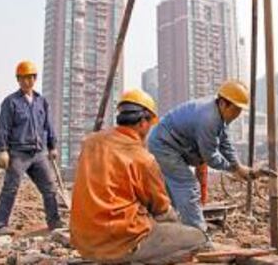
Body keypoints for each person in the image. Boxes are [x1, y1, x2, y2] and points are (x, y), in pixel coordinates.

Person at [70, 89, 206, 264]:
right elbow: (161, 210)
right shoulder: (143, 158)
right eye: (150, 124)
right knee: (196, 238)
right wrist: (177, 225)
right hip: (120, 243)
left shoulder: (90, 142)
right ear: (143, 122)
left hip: (84, 243)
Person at [148, 80, 255, 234]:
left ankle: (166, 232)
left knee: (173, 193)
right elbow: (210, 157)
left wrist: (238, 166)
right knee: (188, 186)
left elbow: (224, 143)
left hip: (173, 144)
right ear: (224, 104)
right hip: (164, 145)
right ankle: (199, 239)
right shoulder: (209, 119)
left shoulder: (219, 114)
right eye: (237, 110)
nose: (238, 115)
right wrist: (233, 169)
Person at [0, 61, 62, 236]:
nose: (26, 81)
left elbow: (48, 125)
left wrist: (52, 146)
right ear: (18, 80)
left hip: (39, 153)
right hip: (18, 153)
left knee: (50, 188)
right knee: (10, 188)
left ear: (34, 79)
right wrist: (3, 149)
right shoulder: (11, 102)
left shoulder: (41, 101)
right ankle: (0, 225)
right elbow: (3, 127)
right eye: (22, 78)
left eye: (29, 78)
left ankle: (54, 223)